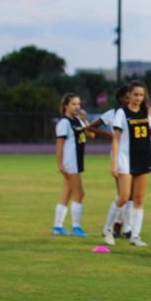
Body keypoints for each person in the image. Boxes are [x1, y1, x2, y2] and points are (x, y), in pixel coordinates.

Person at [101, 80, 151, 247]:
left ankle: (135, 236)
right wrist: (114, 164)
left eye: (141, 95)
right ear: (129, 95)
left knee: (139, 199)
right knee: (124, 197)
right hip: (126, 159)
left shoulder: (146, 113)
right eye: (135, 95)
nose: (138, 98)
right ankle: (108, 229)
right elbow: (116, 139)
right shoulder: (122, 113)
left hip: (144, 158)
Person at [89, 85, 134, 238]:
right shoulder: (113, 113)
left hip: (135, 155)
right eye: (128, 97)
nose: (131, 100)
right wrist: (108, 135)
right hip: (119, 155)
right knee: (123, 194)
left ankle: (125, 227)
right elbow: (91, 127)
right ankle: (117, 226)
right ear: (121, 98)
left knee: (131, 195)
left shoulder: (138, 113)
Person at [51, 93, 89, 237]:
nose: (77, 107)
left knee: (67, 194)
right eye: (73, 104)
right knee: (79, 193)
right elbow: (59, 145)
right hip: (70, 161)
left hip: (77, 161)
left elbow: (90, 135)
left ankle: (57, 226)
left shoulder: (78, 120)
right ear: (66, 105)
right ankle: (76, 226)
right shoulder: (64, 123)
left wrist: (85, 120)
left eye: (78, 104)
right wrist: (60, 164)